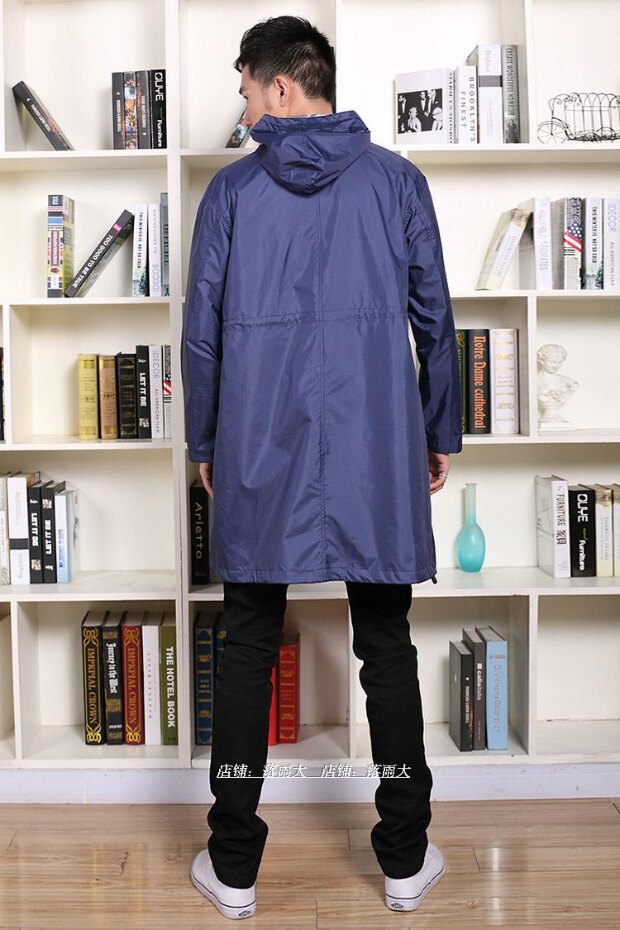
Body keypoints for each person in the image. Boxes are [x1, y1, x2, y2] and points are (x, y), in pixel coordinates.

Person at [181, 15, 463, 921]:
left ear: (280, 87)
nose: (242, 108)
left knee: (246, 646)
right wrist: (438, 430)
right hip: (377, 445)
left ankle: (232, 869)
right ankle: (406, 861)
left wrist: (206, 444)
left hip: (259, 446)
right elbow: (437, 320)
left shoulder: (230, 194)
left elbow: (200, 336)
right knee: (387, 644)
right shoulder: (398, 182)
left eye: (245, 90)